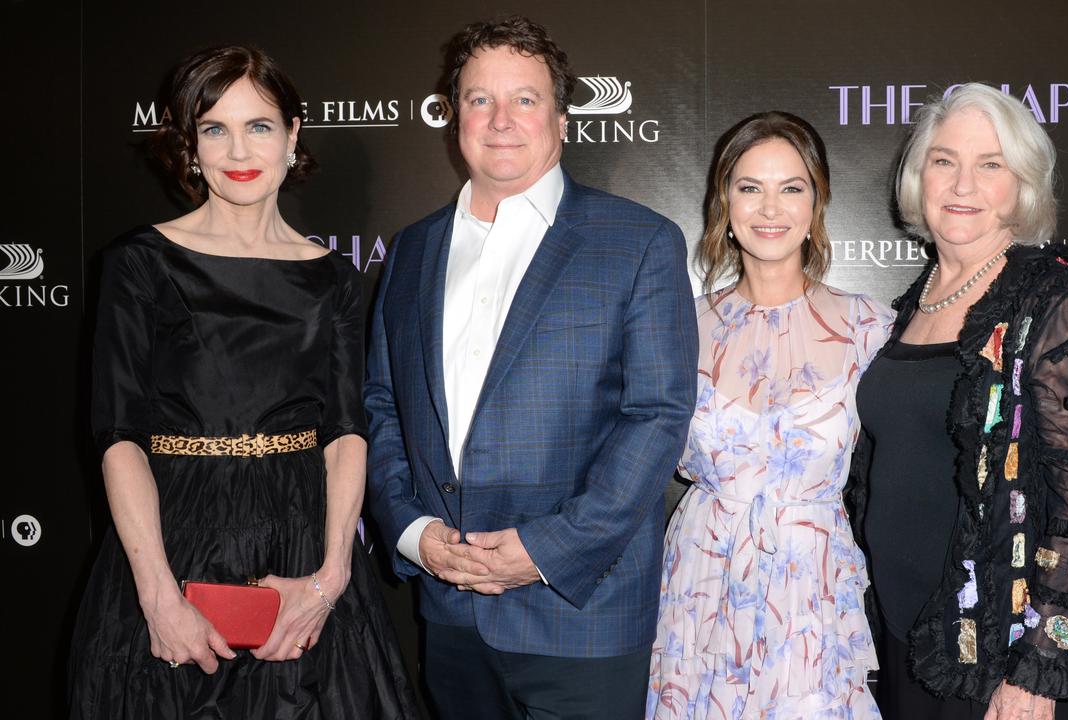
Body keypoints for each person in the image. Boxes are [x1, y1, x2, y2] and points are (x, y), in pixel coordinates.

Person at [67, 46, 419, 719]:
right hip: (173, 536)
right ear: (189, 148)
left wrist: (330, 580)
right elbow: (118, 437)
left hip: (300, 542)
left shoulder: (333, 279)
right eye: (213, 128)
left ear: (292, 137)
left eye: (258, 126)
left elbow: (347, 432)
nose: (237, 150)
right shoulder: (139, 265)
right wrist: (158, 595)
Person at [362, 16, 697, 720]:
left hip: (583, 614)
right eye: (480, 99)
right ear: (455, 118)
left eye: (525, 99)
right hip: (449, 615)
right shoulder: (414, 249)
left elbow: (656, 416)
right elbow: (384, 406)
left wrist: (546, 550)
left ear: (562, 119)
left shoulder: (638, 242)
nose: (501, 120)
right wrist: (411, 532)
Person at [848, 83, 1068, 720]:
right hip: (904, 634)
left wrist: (1041, 668)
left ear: (1023, 186)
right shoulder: (913, 304)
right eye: (943, 161)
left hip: (995, 655)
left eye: (990, 165)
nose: (961, 184)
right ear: (918, 177)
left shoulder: (1053, 301)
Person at [647, 111, 891, 719]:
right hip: (701, 581)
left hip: (812, 586)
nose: (769, 208)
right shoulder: (679, 326)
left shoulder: (871, 327)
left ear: (817, 203)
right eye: (749, 188)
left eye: (792, 188)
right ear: (724, 203)